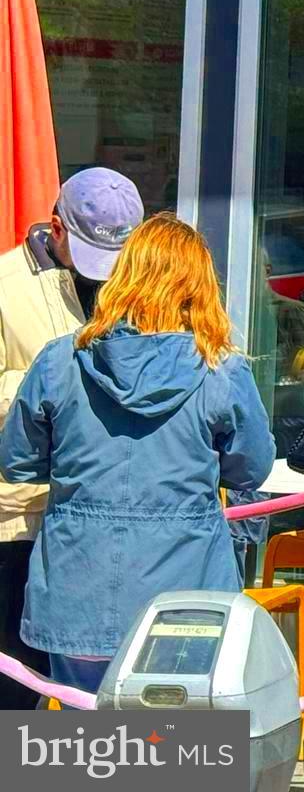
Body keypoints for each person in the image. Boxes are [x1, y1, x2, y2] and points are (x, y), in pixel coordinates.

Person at [0, 214, 273, 693]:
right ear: (200, 288)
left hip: (75, 591)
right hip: (187, 600)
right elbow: (251, 466)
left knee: (88, 753)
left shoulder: (60, 359)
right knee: (178, 753)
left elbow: (17, 461)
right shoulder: (220, 369)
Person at [0, 167, 141, 708]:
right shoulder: (8, 286)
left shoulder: (135, 287)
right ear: (55, 227)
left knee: (100, 699)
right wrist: (53, 384)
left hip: (100, 520)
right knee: (15, 685)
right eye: (87, 251)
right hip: (20, 519)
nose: (103, 272)